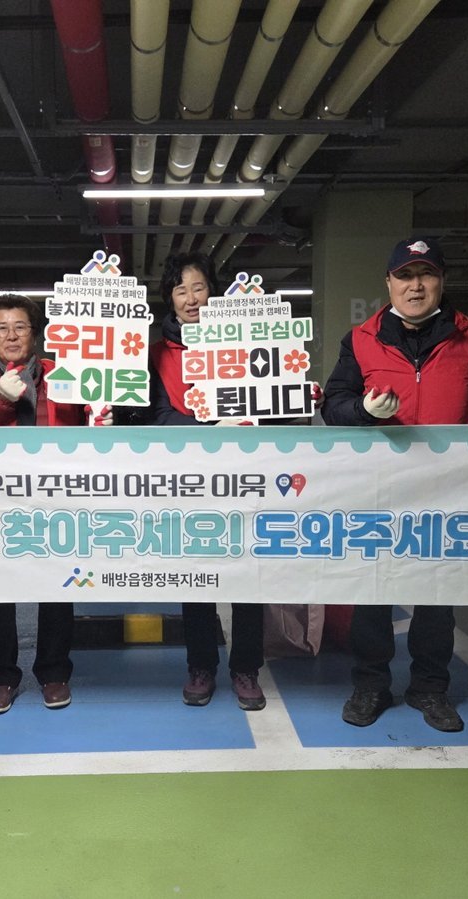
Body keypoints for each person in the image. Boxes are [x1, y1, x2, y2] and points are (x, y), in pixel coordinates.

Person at [323, 237, 468, 732]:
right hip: (379, 490)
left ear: (442, 281)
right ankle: (370, 684)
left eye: (426, 274)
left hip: (449, 491)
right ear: (389, 283)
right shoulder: (360, 339)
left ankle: (430, 687)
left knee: (437, 596)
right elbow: (333, 406)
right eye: (405, 276)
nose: (416, 285)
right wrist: (363, 411)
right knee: (373, 593)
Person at [0, 295, 88, 714]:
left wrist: (101, 418)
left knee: (59, 586)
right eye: (2, 328)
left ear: (35, 334)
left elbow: (84, 422)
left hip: (56, 496)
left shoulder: (65, 375)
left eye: (20, 327)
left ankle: (54, 672)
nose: (11, 336)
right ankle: (1, 677)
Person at [149, 252, 266, 711]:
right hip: (188, 480)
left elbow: (271, 402)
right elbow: (157, 416)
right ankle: (201, 665)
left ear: (212, 291)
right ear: (170, 298)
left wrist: (297, 395)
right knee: (195, 577)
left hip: (244, 476)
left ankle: (246, 668)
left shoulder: (248, 340)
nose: (191, 298)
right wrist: (208, 427)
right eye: (181, 290)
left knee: (247, 575)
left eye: (198, 287)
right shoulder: (155, 353)